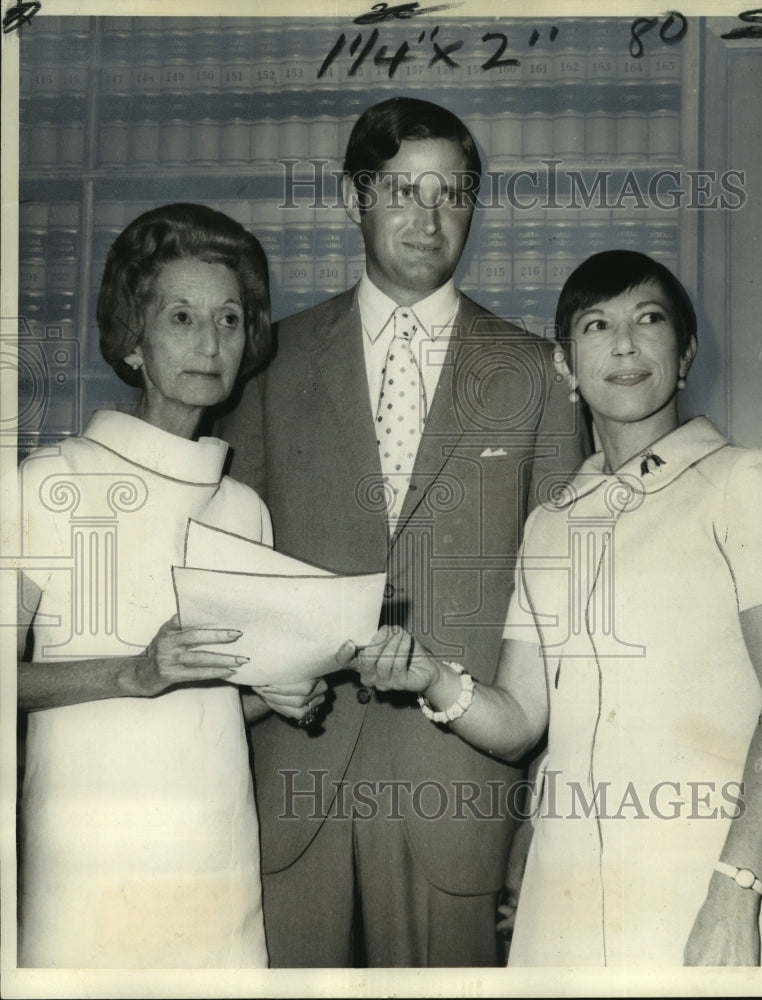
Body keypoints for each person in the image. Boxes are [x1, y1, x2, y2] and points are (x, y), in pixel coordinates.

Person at [216, 96, 585, 967]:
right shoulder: (267, 361)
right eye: (403, 190)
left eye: (452, 194)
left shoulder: (537, 373)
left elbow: (562, 620)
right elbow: (230, 565)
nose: (428, 217)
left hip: (457, 786)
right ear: (354, 198)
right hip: (291, 771)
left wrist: (544, 830)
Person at [352, 249, 762, 966]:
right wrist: (428, 676)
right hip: (567, 901)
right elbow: (519, 721)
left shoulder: (748, 484)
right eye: (595, 325)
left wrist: (738, 885)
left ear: (685, 351)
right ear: (565, 367)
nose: (624, 344)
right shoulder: (551, 524)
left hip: (706, 886)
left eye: (648, 320)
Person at [16, 203, 327, 968]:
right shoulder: (50, 481)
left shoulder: (242, 508)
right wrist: (132, 672)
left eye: (229, 319)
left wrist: (282, 693)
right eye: (181, 316)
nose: (209, 341)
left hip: (213, 844)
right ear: (132, 338)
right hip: (87, 848)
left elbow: (218, 695)